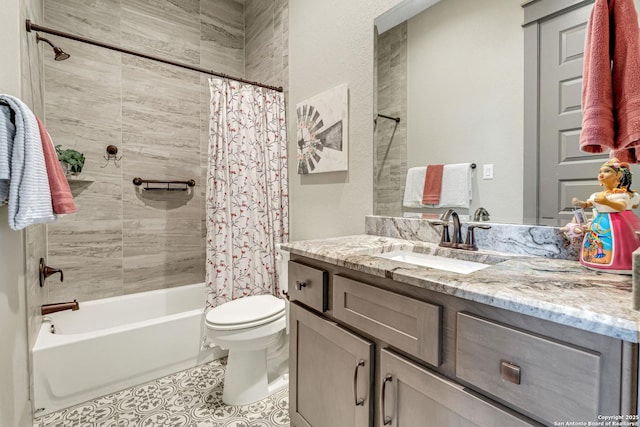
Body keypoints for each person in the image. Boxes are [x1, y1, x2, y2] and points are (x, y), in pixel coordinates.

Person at [571, 158, 640, 274]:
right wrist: (580, 203)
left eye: (607, 171)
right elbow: (588, 203)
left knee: (614, 243)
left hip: (616, 222)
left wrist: (607, 202)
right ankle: (594, 260)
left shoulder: (621, 194)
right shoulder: (596, 194)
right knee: (596, 241)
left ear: (618, 176)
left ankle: (616, 264)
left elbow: (622, 206)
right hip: (599, 222)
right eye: (600, 172)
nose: (602, 174)